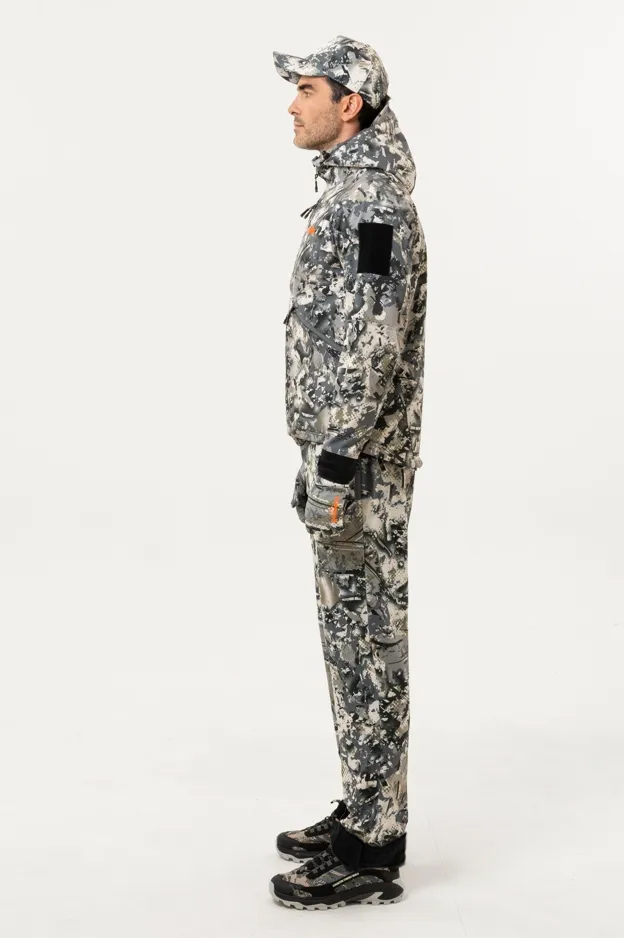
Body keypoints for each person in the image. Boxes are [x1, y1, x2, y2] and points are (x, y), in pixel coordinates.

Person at [270, 34, 428, 910]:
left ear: (351, 104)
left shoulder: (371, 207)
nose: (294, 105)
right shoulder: (348, 194)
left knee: (369, 645)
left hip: (358, 466)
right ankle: (366, 810)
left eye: (307, 89)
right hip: (338, 456)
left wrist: (333, 461)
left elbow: (370, 343)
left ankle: (373, 849)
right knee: (350, 641)